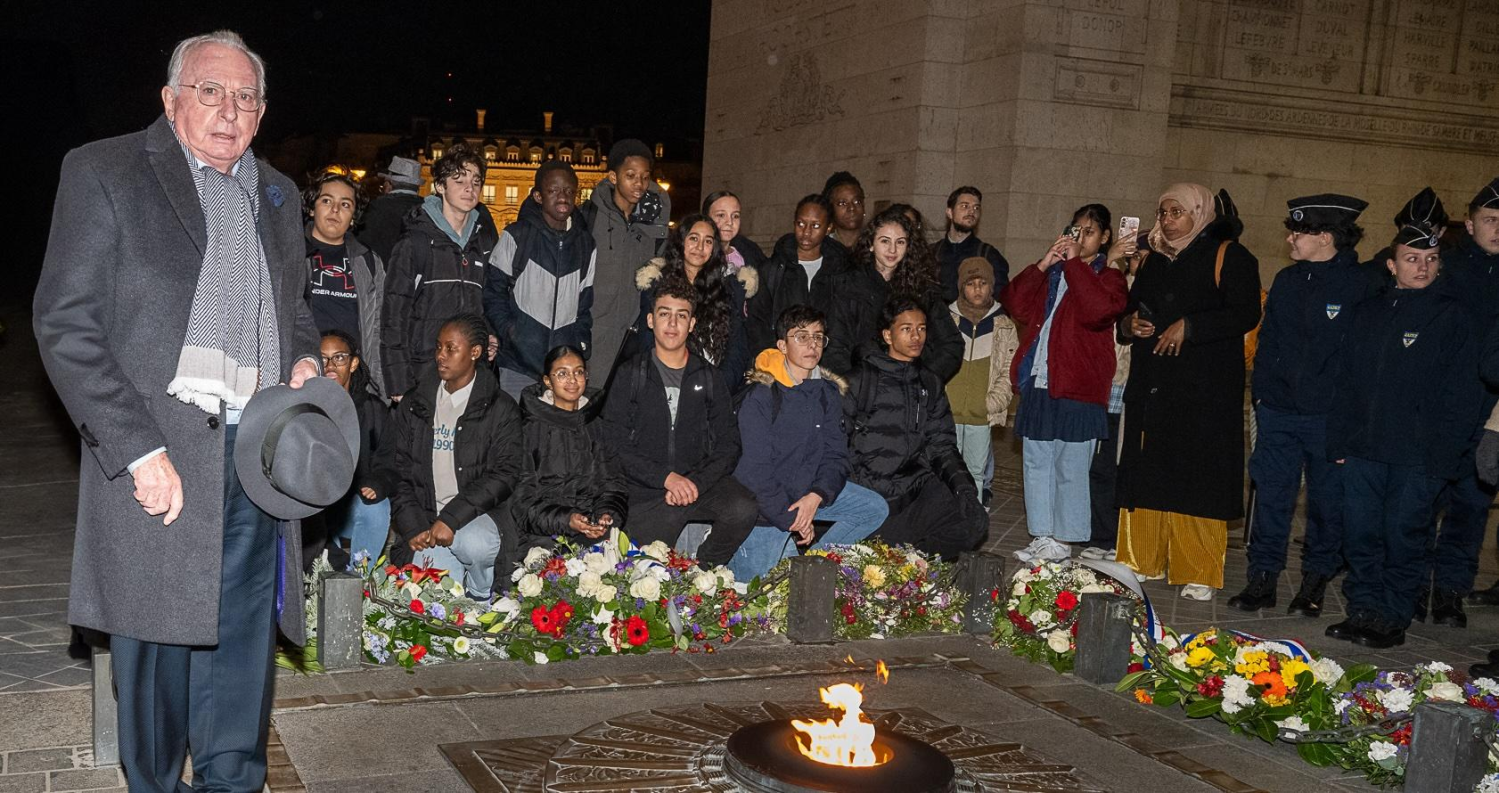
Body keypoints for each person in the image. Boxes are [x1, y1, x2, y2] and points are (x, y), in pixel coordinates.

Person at [32, 31, 322, 790]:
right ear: (170, 99)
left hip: (256, 449)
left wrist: (304, 357)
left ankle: (232, 778)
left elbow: (290, 309)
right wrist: (134, 449)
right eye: (210, 91)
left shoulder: (278, 195)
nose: (230, 110)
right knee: (155, 644)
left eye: (247, 96)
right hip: (159, 453)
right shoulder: (105, 171)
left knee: (243, 634)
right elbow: (66, 323)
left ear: (262, 111)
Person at [1324, 196, 1482, 648]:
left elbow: (1462, 396)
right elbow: (1346, 383)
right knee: (1361, 535)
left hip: (1416, 457)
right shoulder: (1369, 312)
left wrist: (1444, 457)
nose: (1422, 267)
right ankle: (1363, 610)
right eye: (1412, 259)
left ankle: (1392, 615)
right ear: (1392, 265)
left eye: (1431, 260)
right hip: (1362, 450)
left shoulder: (1452, 316)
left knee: (1404, 537)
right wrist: (1338, 442)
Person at [1115, 183, 1262, 601]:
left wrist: (1191, 327)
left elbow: (1245, 311)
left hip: (1204, 390)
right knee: (1149, 471)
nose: (1166, 220)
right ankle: (1142, 559)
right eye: (1162, 212)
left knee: (1197, 475)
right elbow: (1131, 309)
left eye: (1175, 212)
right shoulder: (1155, 260)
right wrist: (1129, 326)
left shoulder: (1230, 255)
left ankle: (1197, 567)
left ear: (1199, 213)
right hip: (1154, 385)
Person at [1227, 195, 1371, 616]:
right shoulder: (1288, 280)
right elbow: (1268, 340)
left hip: (1330, 419)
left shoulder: (1362, 285)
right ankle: (1263, 577)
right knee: (1271, 496)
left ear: (1325, 237)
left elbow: (1363, 360)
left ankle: (1314, 581)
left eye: (1299, 231)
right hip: (1279, 412)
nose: (1290, 237)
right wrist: (1263, 397)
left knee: (1327, 504)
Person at [1002, 205, 1129, 562]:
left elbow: (1097, 311)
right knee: (1036, 462)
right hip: (1040, 379)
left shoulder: (1110, 277)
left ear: (1105, 238)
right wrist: (1044, 263)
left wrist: (1075, 265)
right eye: (1076, 229)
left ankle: (1064, 537)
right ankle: (1042, 535)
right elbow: (1016, 303)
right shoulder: (1055, 272)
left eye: (1089, 231)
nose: (1080, 237)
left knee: (1070, 466)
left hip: (1079, 386)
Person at [601, 282, 757, 566]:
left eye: (681, 315)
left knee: (743, 507)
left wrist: (696, 482)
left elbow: (729, 444)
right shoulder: (630, 375)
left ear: (692, 323)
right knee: (644, 577)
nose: (672, 323)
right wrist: (665, 478)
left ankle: (704, 569)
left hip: (697, 482)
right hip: (647, 491)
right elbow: (614, 444)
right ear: (650, 320)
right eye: (664, 314)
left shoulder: (708, 376)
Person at [729, 305, 889, 581]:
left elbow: (836, 456)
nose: (812, 345)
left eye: (818, 337)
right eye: (801, 336)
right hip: (766, 508)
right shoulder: (761, 394)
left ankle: (813, 567)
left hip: (805, 494)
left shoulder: (826, 392)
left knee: (872, 508)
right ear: (781, 344)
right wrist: (792, 519)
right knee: (756, 595)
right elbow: (753, 471)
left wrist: (816, 496)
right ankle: (776, 562)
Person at [845, 298, 989, 560]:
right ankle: (898, 560)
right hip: (871, 496)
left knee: (973, 519)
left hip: (912, 489)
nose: (916, 337)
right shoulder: (859, 380)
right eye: (907, 329)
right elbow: (836, 445)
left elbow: (942, 445)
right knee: (879, 558)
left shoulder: (929, 383)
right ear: (887, 335)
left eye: (921, 329)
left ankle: (916, 565)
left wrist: (965, 490)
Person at [390, 314, 522, 598]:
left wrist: (451, 518)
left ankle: (480, 591)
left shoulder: (500, 408)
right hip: (428, 522)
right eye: (439, 347)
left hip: (476, 519)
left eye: (451, 348)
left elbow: (504, 475)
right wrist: (412, 525)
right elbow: (398, 470)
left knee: (473, 544)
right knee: (430, 603)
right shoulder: (415, 403)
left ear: (475, 352)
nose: (441, 356)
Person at [382, 142, 499, 400]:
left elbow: (485, 303)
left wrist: (489, 333)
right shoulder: (415, 242)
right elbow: (393, 315)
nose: (469, 188)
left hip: (470, 373)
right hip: (424, 371)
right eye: (459, 180)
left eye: (476, 181)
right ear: (439, 186)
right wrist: (399, 382)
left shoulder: (484, 242)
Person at [500, 345, 627, 579]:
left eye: (578, 372)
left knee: (616, 577)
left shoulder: (597, 424)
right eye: (562, 373)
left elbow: (613, 483)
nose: (572, 380)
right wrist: (567, 520)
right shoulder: (528, 429)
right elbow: (522, 503)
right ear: (547, 381)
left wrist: (606, 514)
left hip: (590, 529)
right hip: (542, 533)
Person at [1430, 178, 1499, 613]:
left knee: (1472, 510)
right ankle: (1415, 586)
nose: (1498, 229)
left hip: (1491, 416)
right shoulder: (1443, 269)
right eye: (1490, 220)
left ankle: (1452, 592)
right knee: (1422, 505)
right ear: (1471, 225)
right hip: (1441, 410)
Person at [483, 160, 597, 399]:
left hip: (562, 369)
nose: (562, 197)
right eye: (553, 190)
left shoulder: (586, 245)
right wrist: (511, 333)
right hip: (517, 367)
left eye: (568, 191)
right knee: (514, 433)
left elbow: (584, 305)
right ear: (537, 196)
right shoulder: (516, 236)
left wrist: (580, 343)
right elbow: (492, 292)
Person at [823, 206, 963, 382]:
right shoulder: (849, 286)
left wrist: (925, 381)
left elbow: (951, 344)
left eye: (900, 242)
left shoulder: (923, 290)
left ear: (909, 246)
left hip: (910, 390)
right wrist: (855, 386)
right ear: (871, 244)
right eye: (885, 241)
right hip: (864, 391)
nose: (892, 250)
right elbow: (835, 346)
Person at [580, 138, 672, 382]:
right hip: (594, 339)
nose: (639, 184)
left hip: (636, 340)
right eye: (630, 175)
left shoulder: (654, 223)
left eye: (645, 176)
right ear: (613, 177)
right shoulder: (590, 217)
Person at [306, 330, 397, 569]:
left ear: (354, 363)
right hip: (313, 508)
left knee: (376, 507)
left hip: (351, 504)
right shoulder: (302, 406)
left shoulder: (372, 409)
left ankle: (360, 580)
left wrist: (377, 483)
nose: (330, 366)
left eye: (339, 358)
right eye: (323, 358)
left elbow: (389, 461)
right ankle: (322, 577)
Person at [633, 214, 758, 388]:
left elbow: (737, 347)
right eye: (693, 238)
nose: (700, 247)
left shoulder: (728, 288)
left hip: (715, 387)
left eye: (708, 241)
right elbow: (647, 342)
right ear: (681, 241)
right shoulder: (657, 284)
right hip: (668, 386)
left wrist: (718, 385)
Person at [1085, 233, 1150, 560]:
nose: (1136, 263)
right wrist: (1110, 262)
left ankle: (1126, 541)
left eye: (1143, 257)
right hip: (1107, 389)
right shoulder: (1117, 285)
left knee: (1130, 469)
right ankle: (1102, 536)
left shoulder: (1158, 291)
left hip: (1136, 393)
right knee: (1101, 467)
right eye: (1133, 257)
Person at [304, 169, 387, 400]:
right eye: (326, 200)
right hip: (303, 377)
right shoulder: (293, 255)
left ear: (353, 218)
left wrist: (378, 385)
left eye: (345, 204)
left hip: (353, 384)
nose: (335, 210)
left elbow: (380, 326)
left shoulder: (368, 262)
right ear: (312, 207)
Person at [946, 257, 1019, 509]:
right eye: (970, 283)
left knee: (975, 472)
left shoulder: (1003, 325)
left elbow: (1009, 370)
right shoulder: (947, 320)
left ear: (991, 287)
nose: (977, 289)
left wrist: (990, 403)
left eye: (983, 283)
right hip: (947, 414)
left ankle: (971, 522)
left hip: (980, 414)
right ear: (961, 287)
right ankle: (944, 520)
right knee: (945, 470)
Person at [747, 194, 848, 354]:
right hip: (780, 365)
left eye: (815, 226)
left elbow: (843, 328)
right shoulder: (772, 270)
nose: (806, 232)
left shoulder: (841, 272)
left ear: (828, 228)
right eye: (801, 224)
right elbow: (757, 324)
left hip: (825, 366)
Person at [935, 186, 1011, 303]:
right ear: (950, 212)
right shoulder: (931, 252)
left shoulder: (988, 255)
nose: (971, 212)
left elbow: (1001, 299)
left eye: (976, 208)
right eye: (965, 206)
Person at [359, 155, 425, 263]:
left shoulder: (375, 207)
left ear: (389, 183)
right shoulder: (430, 209)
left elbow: (362, 245)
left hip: (383, 274)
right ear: (417, 186)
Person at [704, 190, 767, 272]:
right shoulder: (697, 255)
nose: (730, 222)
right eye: (721, 215)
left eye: (735, 216)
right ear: (706, 219)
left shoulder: (751, 252)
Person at [822, 171, 866, 254]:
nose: (851, 208)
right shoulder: (822, 249)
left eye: (857, 202)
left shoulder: (876, 246)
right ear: (830, 209)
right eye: (842, 203)